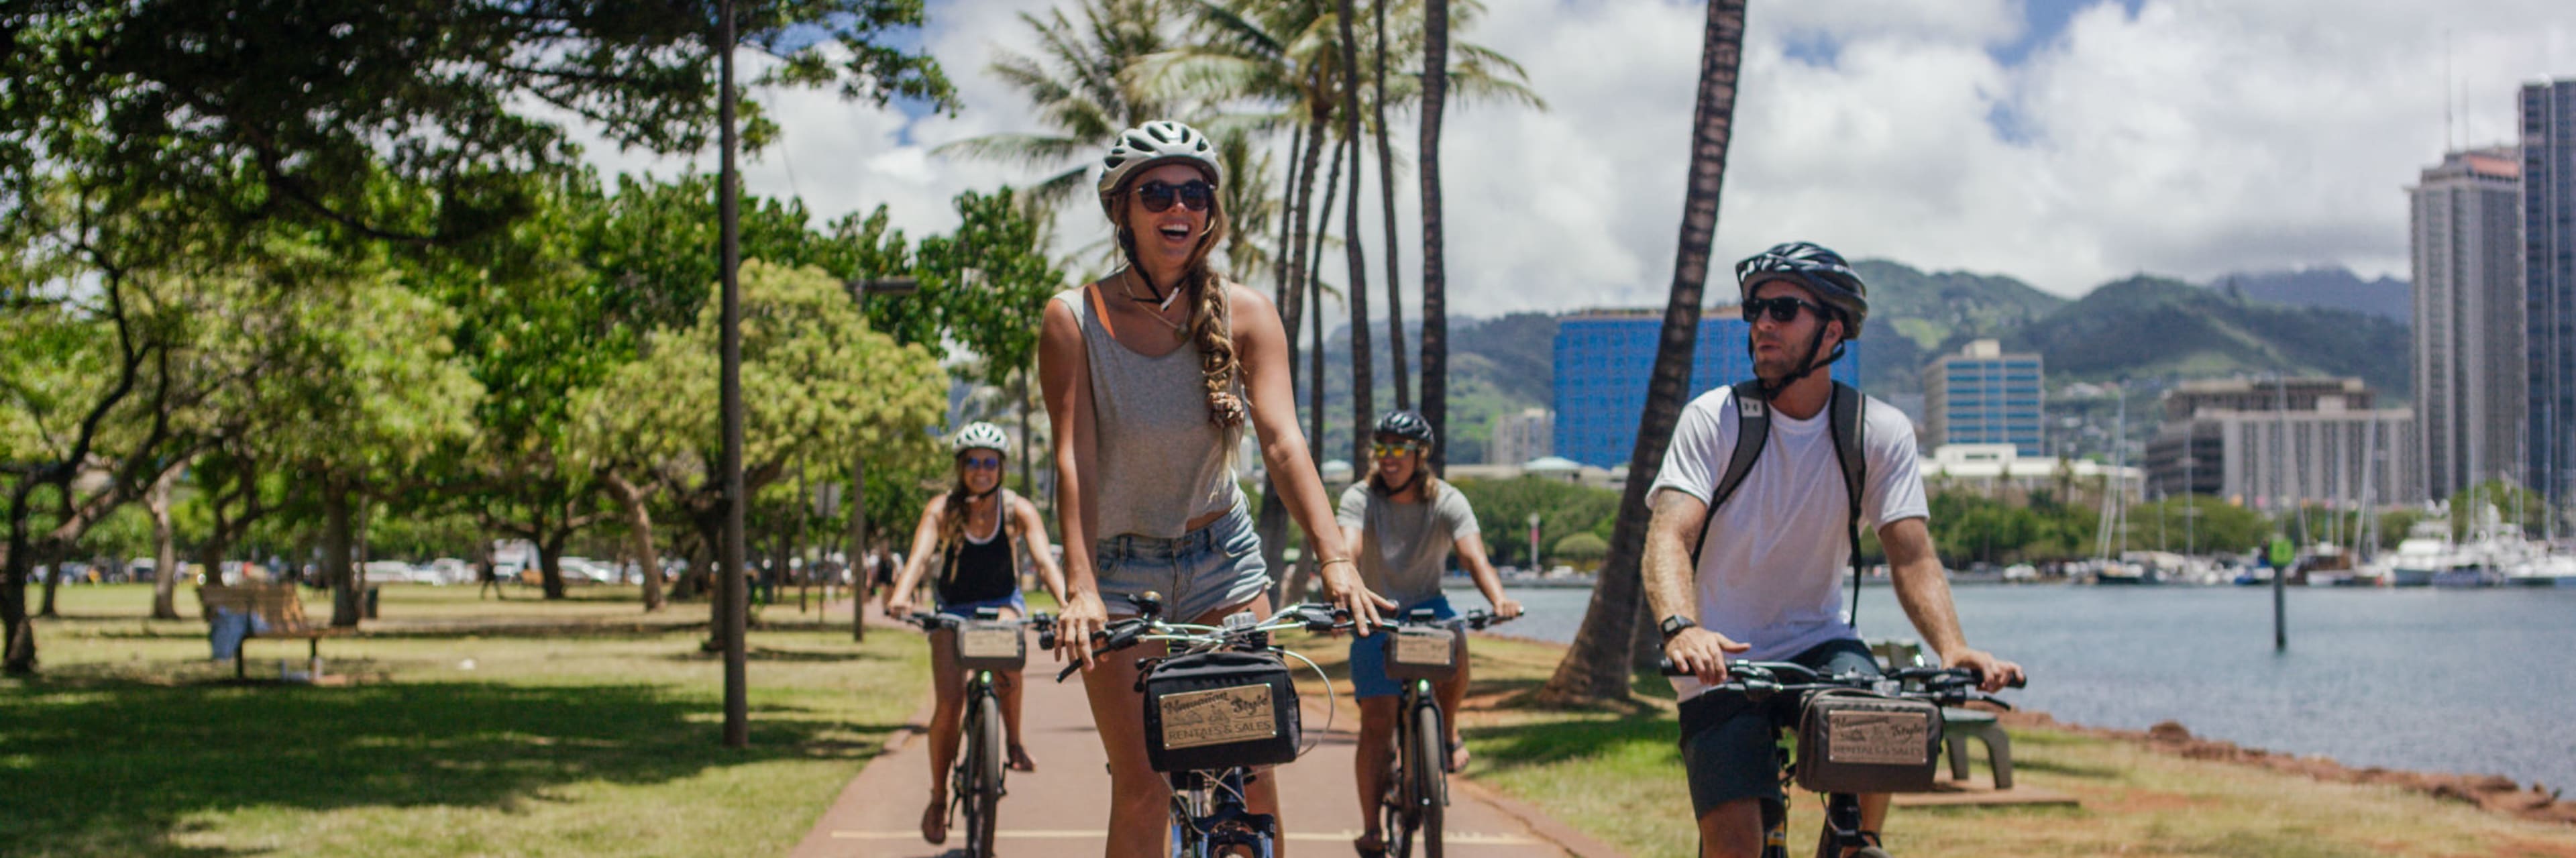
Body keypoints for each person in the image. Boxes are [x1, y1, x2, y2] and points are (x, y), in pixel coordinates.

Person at [1039, 119, 1390, 857]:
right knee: (1142, 786)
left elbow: (1284, 442)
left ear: (1211, 210)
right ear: (1121, 210)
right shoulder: (1073, 319)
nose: (1179, 207)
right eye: (1157, 192)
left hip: (1221, 563)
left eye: (1194, 193)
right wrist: (1080, 587)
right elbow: (1076, 459)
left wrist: (1335, 559)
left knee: (1252, 778)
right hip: (1120, 571)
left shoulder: (1248, 312)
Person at [1647, 241, 2024, 858]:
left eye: (1784, 308)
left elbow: (1911, 556)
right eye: (1756, 309)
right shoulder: (1713, 418)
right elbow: (1669, 534)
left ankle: (1856, 841)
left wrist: (1953, 647)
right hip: (1718, 652)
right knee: (1736, 843)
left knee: (1884, 723)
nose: (1763, 322)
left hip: (1819, 640)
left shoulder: (1877, 431)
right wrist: (1681, 628)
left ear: (1835, 329)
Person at [1338, 410, 1523, 857]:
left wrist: (1499, 598)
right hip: (1376, 608)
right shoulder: (1360, 497)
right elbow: (1348, 549)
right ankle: (1371, 829)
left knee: (1457, 633)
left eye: (1399, 448)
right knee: (1376, 723)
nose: (1389, 457)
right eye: (1381, 448)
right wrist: (1344, 588)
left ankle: (1447, 731)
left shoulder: (1448, 499)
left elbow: (1474, 556)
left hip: (1428, 606)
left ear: (1421, 455)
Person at [884, 421, 1068, 845]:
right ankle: (937, 797)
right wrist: (902, 595)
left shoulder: (1018, 509)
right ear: (961, 466)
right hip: (953, 611)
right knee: (948, 705)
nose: (981, 470)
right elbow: (919, 555)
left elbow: (1044, 561)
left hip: (1004, 604)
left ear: (1001, 467)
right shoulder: (943, 509)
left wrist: (1065, 602)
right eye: (973, 462)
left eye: (990, 462)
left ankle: (1015, 743)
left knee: (1011, 658)